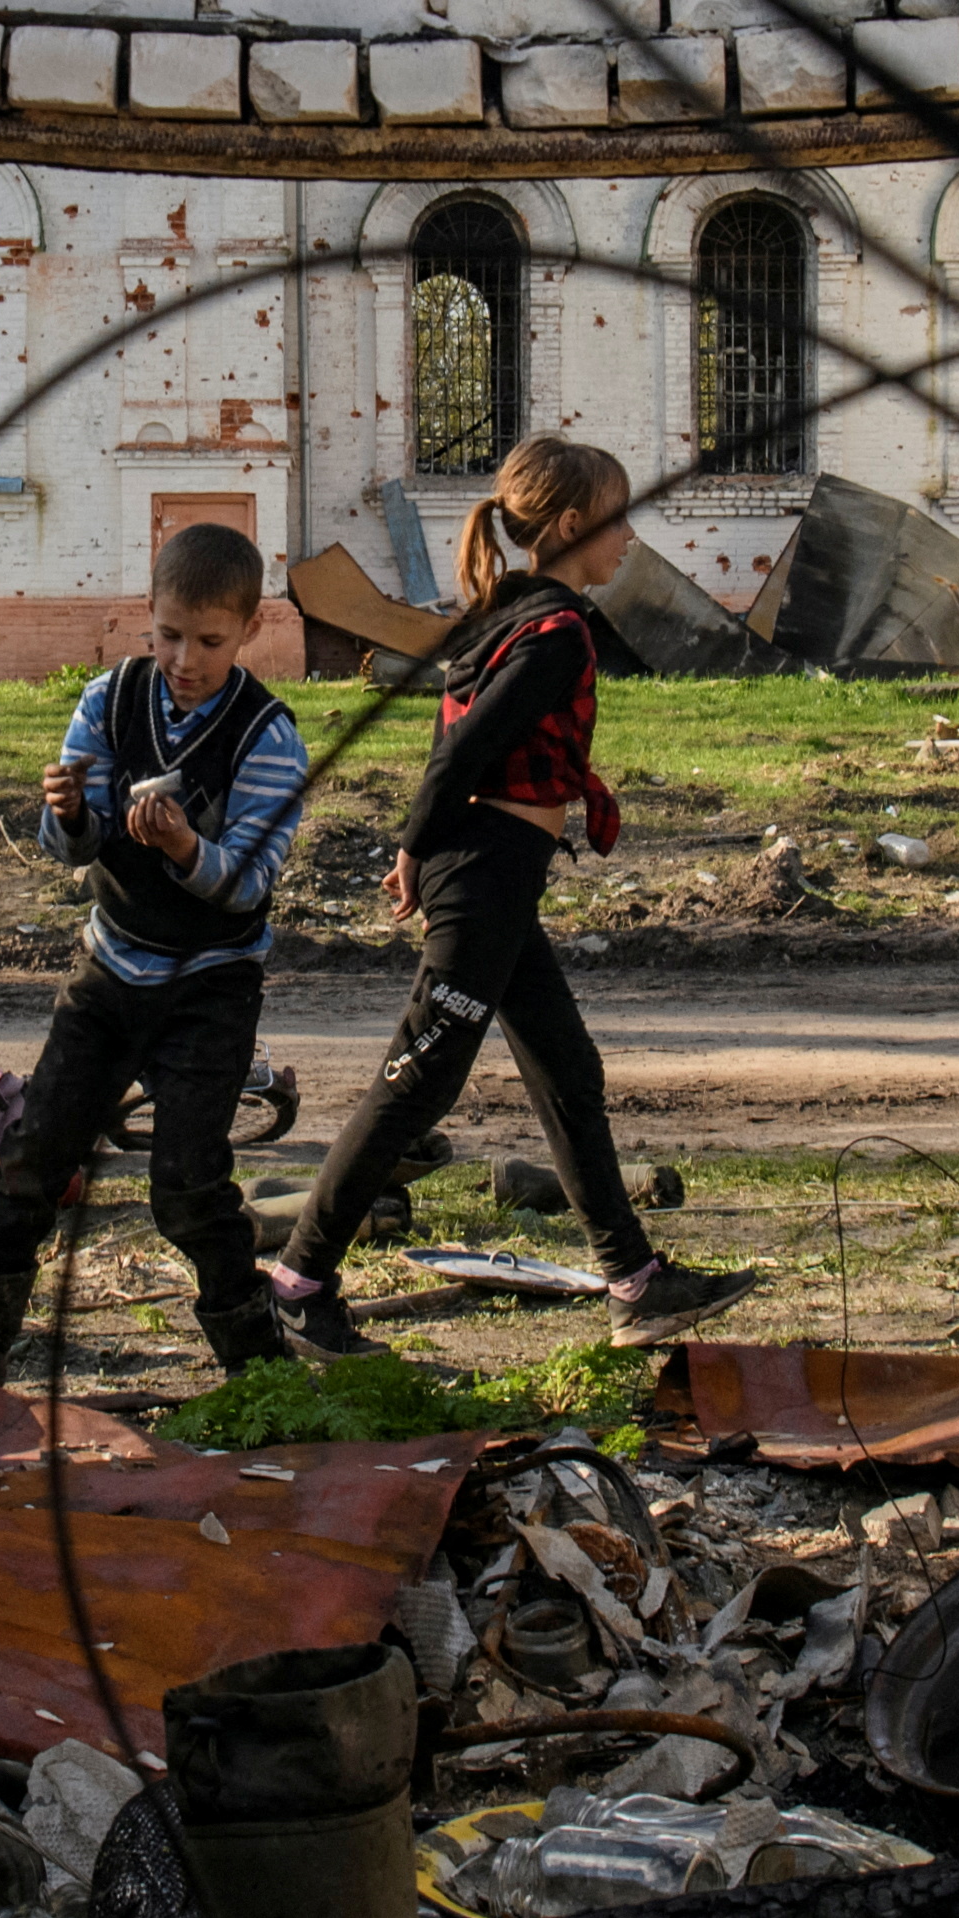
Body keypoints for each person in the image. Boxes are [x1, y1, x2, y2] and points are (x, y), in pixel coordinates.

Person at [262, 435, 761, 1355]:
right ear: (572, 525)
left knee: (568, 1073)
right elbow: (463, 747)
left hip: (498, 873)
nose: (626, 538)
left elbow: (459, 735)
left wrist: (426, 847)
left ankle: (635, 1284)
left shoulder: (509, 613)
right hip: (482, 871)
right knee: (420, 1080)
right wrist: (414, 848)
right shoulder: (556, 630)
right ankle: (297, 1282)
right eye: (615, 518)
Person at [0, 519, 319, 1387]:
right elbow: (71, 849)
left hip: (211, 987)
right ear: (145, 617)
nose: (185, 657)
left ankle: (254, 1361)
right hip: (109, 969)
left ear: (251, 629)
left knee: (187, 1184)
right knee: (33, 1160)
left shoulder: (267, 737)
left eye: (209, 641)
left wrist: (187, 849)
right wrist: (69, 812)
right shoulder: (108, 701)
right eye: (168, 635)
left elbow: (250, 884)